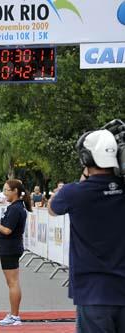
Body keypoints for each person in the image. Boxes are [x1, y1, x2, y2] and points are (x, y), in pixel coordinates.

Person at [48, 130, 125, 333]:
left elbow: (52, 208)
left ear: (85, 158)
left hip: (93, 292)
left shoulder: (73, 193)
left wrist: (83, 177)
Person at [0, 179, 32, 326]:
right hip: (9, 247)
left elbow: (8, 230)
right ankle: (14, 314)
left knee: (13, 283)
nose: (4, 193)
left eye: (6, 190)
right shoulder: (15, 207)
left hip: (11, 248)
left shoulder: (16, 208)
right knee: (12, 282)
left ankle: (15, 316)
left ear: (15, 191)